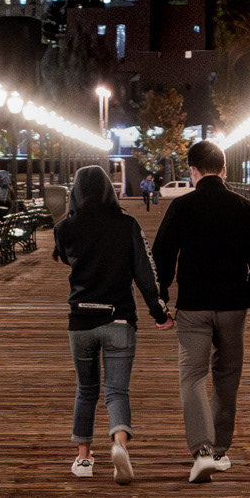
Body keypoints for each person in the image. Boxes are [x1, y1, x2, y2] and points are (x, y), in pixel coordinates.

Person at [151, 138, 250, 484]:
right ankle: (220, 450)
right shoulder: (245, 208)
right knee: (227, 376)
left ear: (193, 171)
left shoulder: (182, 207)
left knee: (192, 376)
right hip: (233, 305)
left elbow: (161, 257)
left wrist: (161, 299)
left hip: (193, 305)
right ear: (224, 168)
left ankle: (202, 450)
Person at [53, 165, 172, 482]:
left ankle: (83, 459)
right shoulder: (127, 225)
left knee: (86, 389)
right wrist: (160, 313)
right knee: (117, 391)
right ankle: (119, 442)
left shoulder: (65, 229)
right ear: (109, 189)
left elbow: (65, 257)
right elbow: (145, 275)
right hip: (119, 317)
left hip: (80, 320)